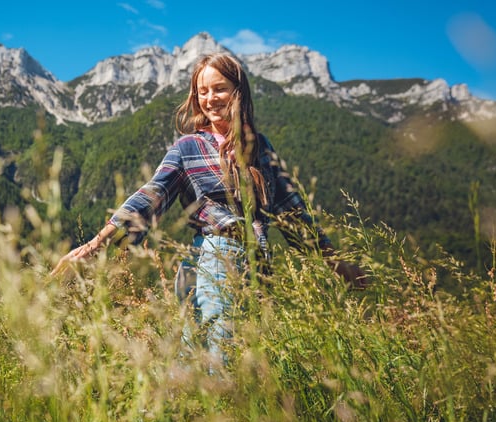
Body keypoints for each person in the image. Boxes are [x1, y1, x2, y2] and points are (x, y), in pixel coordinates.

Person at [52, 53, 366, 367]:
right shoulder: (188, 147)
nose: (209, 99)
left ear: (238, 91)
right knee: (219, 365)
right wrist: (94, 245)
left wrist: (335, 263)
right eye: (202, 92)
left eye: (219, 89)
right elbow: (150, 197)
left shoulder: (261, 147)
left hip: (257, 268)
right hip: (215, 257)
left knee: (232, 368)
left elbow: (292, 212)